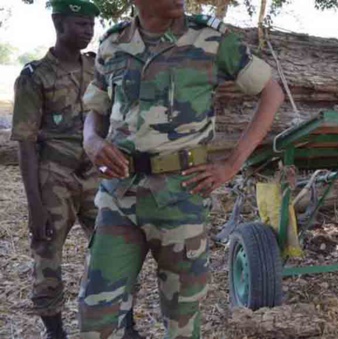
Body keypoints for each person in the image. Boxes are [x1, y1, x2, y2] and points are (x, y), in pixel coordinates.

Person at [77, 0, 284, 337]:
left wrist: (232, 164)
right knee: (94, 311)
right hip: (119, 196)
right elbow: (96, 107)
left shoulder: (210, 40)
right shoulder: (112, 43)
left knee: (182, 319)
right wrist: (91, 141)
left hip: (180, 198)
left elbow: (271, 93)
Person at [10, 1, 142, 338]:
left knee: (114, 253)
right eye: (80, 24)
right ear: (58, 22)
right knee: (47, 259)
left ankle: (127, 327)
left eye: (91, 25)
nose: (88, 31)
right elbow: (25, 143)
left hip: (97, 178)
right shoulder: (34, 76)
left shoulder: (98, 69)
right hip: (54, 179)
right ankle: (56, 332)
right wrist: (34, 206)